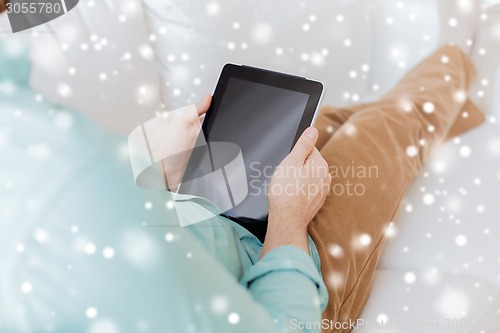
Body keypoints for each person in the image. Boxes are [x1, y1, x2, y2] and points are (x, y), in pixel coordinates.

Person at [0, 33, 484, 332]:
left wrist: (158, 175)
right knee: (395, 124)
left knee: (316, 122)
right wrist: (289, 223)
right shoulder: (63, 179)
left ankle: (441, 110)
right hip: (288, 276)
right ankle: (461, 60)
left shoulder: (30, 128)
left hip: (208, 217)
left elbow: (119, 239)